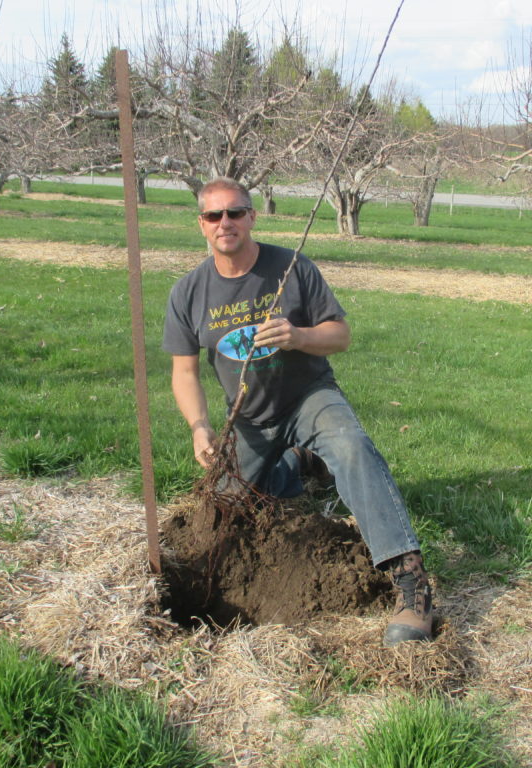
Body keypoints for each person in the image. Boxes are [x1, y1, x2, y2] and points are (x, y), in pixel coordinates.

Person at [162, 176, 433, 646]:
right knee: (226, 503)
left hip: (309, 398)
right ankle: (295, 464)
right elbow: (184, 373)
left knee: (351, 448)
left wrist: (299, 337)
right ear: (201, 225)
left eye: (235, 212)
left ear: (252, 216)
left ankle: (412, 586)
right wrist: (200, 426)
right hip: (247, 417)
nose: (225, 223)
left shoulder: (291, 267)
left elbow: (341, 335)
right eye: (214, 215)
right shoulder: (188, 294)